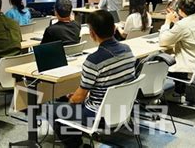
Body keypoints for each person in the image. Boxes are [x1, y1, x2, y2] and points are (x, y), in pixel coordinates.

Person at [46, 10, 136, 147]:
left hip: (99, 117)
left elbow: (78, 98)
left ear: (92, 34)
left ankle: (76, 145)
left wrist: (71, 102)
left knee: (51, 109)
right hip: (123, 110)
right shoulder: (128, 50)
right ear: (113, 28)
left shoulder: (93, 61)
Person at [159, 0, 195, 95]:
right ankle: (179, 91)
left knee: (158, 65)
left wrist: (167, 21)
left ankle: (174, 93)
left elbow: (163, 40)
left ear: (180, 10)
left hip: (191, 67)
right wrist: (177, 23)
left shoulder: (183, 25)